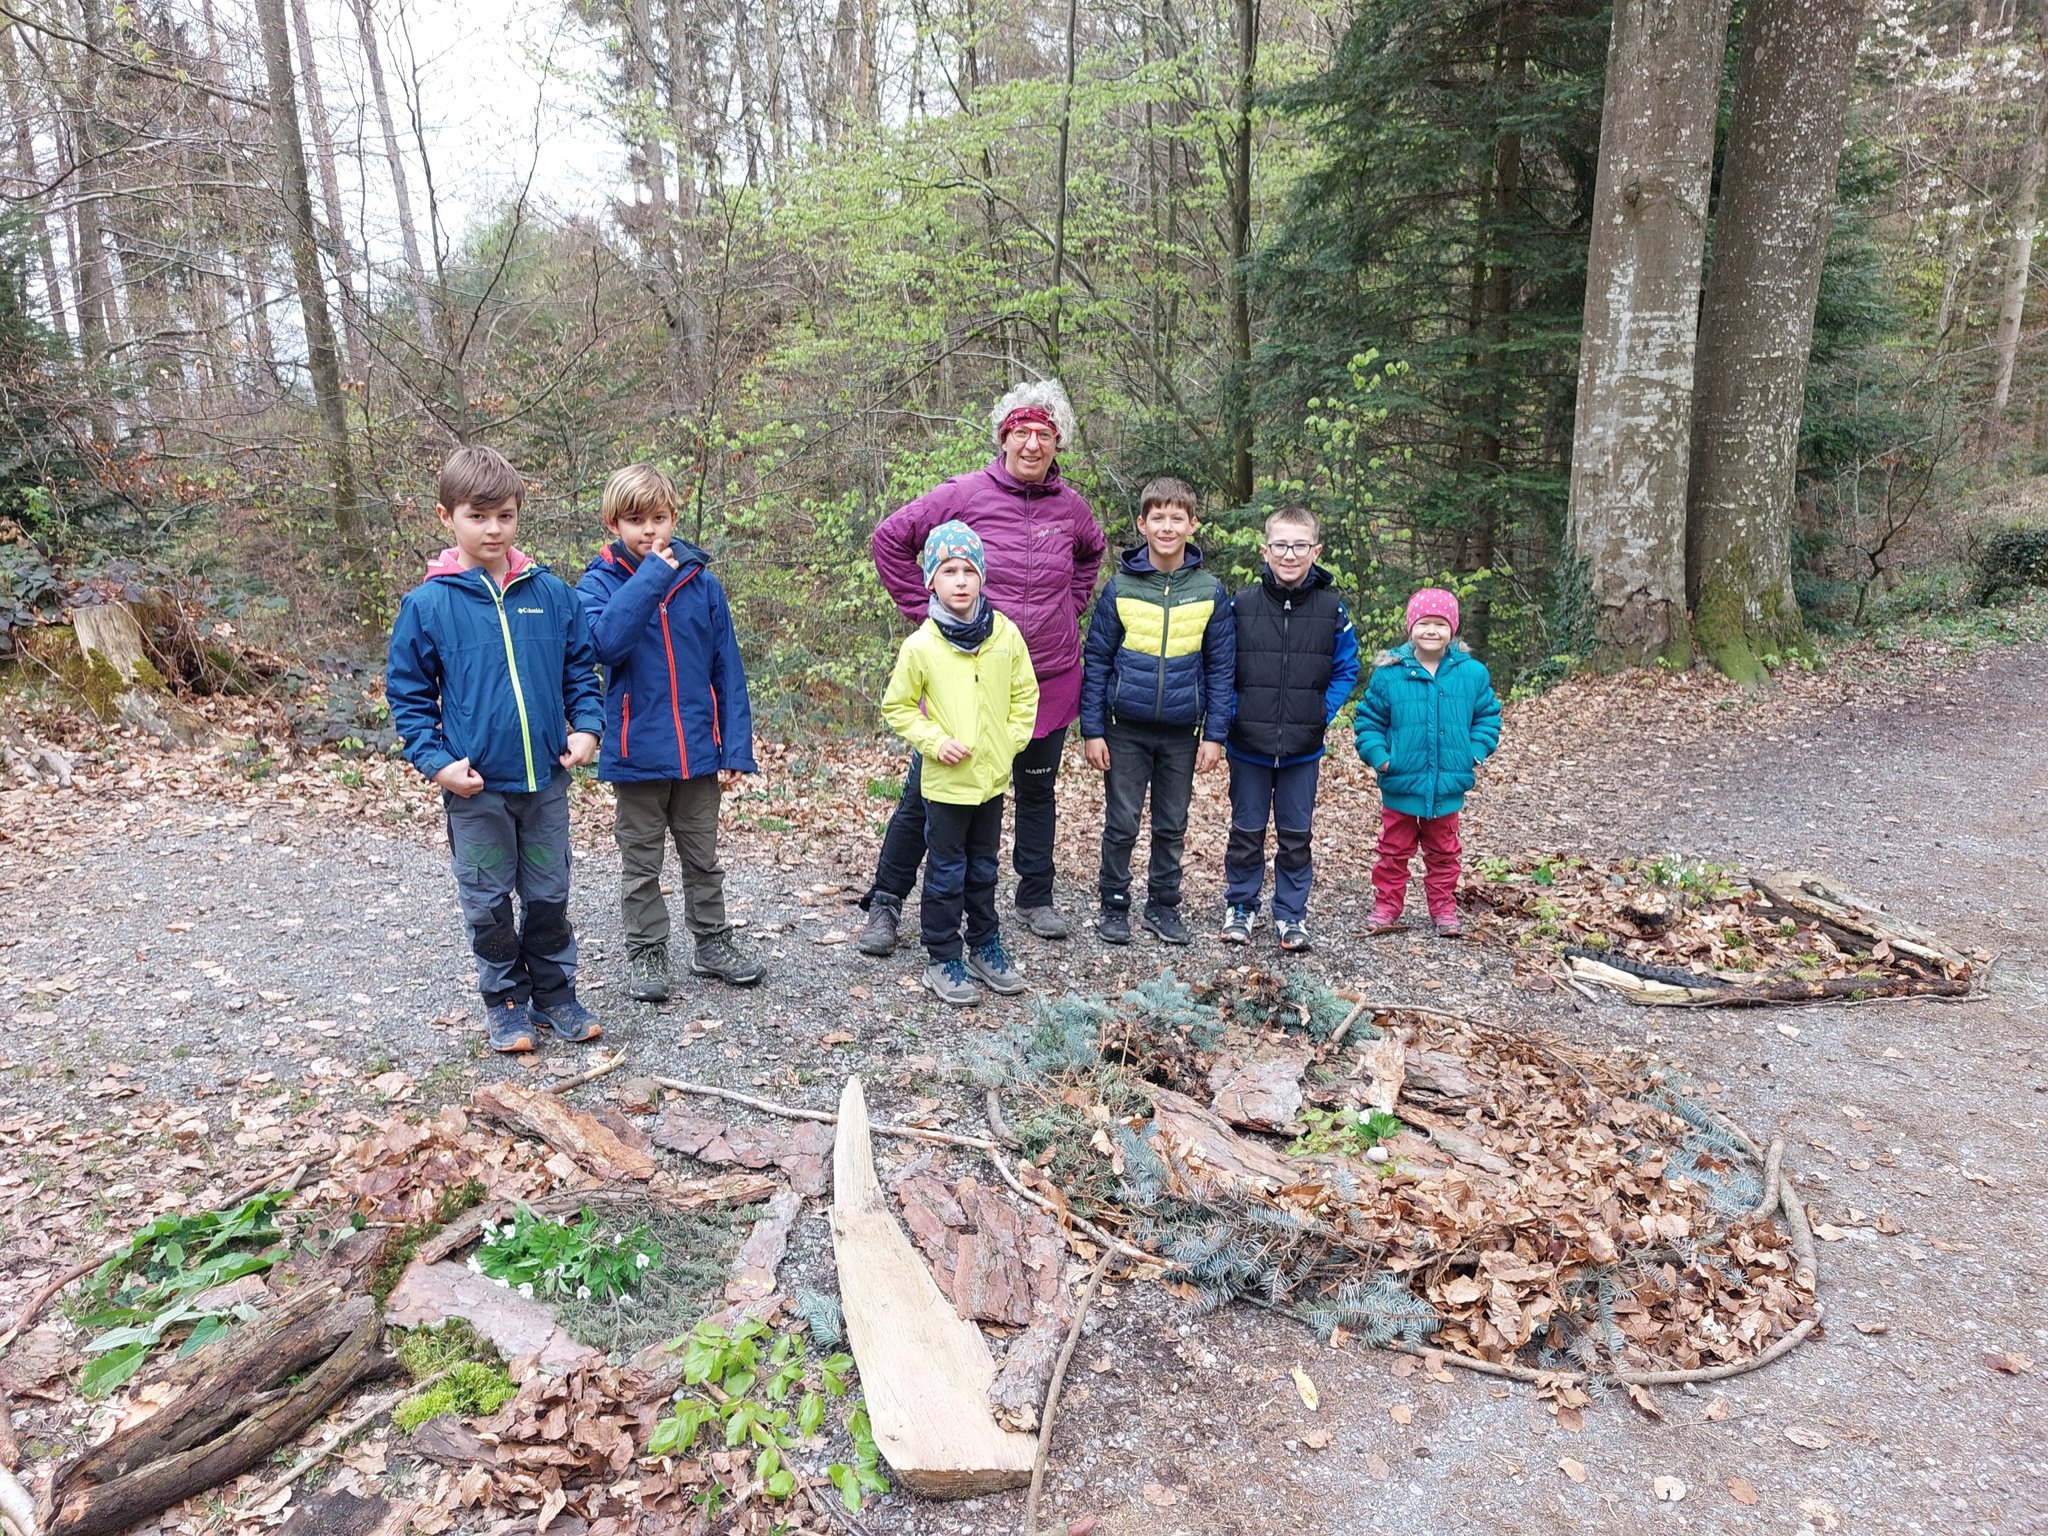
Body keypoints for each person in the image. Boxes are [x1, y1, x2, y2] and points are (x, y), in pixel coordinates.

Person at [860, 380, 1106, 953]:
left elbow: (1092, 552)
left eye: (1044, 434)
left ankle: (1035, 897)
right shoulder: (965, 494)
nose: (1032, 444)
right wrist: (930, 615)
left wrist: (1070, 606)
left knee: (1037, 793)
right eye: (1021, 432)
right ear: (1003, 437)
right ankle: (887, 901)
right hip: (964, 680)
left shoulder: (1071, 508)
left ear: (1058, 443)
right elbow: (890, 539)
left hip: (1047, 676)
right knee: (924, 795)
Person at [386, 445, 606, 1054]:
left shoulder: (551, 594)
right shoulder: (428, 605)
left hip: (546, 784)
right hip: (476, 790)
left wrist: (587, 728)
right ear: (446, 517)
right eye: (477, 516)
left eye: (504, 516)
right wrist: (437, 764)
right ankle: (506, 1001)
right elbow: (408, 695)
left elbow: (580, 671)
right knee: (487, 902)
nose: (493, 529)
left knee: (548, 896)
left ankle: (555, 995)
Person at [575, 464, 762, 1002]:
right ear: (614, 524)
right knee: (641, 864)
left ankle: (711, 942)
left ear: (674, 518)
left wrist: (735, 746)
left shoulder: (702, 584)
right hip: (635, 755)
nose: (649, 530)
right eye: (636, 520)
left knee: (703, 857)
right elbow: (604, 645)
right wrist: (651, 578)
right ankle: (647, 949)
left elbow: (727, 669)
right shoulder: (597, 583)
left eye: (658, 518)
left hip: (698, 752)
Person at [879, 521, 1039, 1005]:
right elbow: (898, 707)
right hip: (946, 784)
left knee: (984, 869)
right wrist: (934, 741)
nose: (961, 581)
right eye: (949, 571)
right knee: (947, 872)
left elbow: (1025, 695)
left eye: (969, 570)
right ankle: (943, 956)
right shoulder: (921, 645)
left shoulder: (1005, 635)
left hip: (990, 781)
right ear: (932, 580)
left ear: (982, 576)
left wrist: (1008, 744)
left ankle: (984, 946)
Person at [1079, 477, 1235, 945]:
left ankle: (1163, 905)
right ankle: (1114, 903)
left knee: (1172, 824)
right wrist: (1092, 730)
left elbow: (1221, 668)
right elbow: (1098, 660)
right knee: (1122, 822)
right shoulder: (1120, 588)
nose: (1167, 527)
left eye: (1177, 518)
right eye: (1158, 518)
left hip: (1182, 733)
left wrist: (1214, 735)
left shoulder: (1209, 591)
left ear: (1192, 525)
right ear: (1142, 524)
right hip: (1124, 729)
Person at [1218, 506, 1360, 954]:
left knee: (1296, 836)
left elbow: (1347, 668)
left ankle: (1291, 912)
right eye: (1280, 545)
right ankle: (1241, 905)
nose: (1290, 554)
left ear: (1316, 551)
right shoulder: (1240, 606)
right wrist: (1235, 713)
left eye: (1300, 545)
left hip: (1302, 748)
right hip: (1248, 745)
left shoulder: (1332, 609)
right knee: (1246, 831)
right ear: (1265, 550)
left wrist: (1321, 712)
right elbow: (1221, 666)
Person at [1354, 587, 1502, 938]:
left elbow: (1487, 717)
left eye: (1440, 624)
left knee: (1444, 852)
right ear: (1411, 627)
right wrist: (1382, 758)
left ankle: (1443, 907)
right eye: (1423, 623)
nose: (1431, 631)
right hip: (1401, 781)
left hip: (1447, 783)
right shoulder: (1390, 673)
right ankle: (1387, 905)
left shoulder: (1472, 674)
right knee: (1393, 850)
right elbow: (1369, 721)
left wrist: (1473, 752)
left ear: (1453, 629)